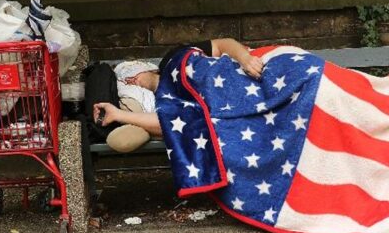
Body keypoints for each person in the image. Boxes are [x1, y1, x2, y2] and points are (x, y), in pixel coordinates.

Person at [95, 38, 263, 151]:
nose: (131, 80)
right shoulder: (164, 101)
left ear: (149, 68)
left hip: (250, 77)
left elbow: (223, 44)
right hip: (238, 110)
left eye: (131, 74)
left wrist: (245, 58)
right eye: (127, 82)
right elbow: (170, 121)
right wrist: (118, 114)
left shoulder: (173, 58)